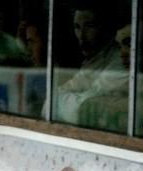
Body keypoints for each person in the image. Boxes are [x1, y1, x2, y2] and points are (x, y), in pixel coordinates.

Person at [49, 1, 127, 130]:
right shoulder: (93, 59)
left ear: (105, 28)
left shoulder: (121, 60)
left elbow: (84, 109)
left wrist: (60, 101)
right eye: (77, 27)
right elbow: (51, 100)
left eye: (89, 26)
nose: (82, 36)